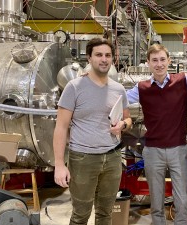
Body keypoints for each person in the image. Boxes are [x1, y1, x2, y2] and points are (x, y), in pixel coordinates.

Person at [126, 44, 187, 225]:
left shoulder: (183, 81)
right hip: (152, 151)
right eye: (154, 60)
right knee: (156, 200)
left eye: (162, 59)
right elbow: (118, 98)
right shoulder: (142, 88)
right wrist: (95, 80)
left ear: (169, 61)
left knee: (182, 199)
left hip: (178, 149)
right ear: (148, 63)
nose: (159, 64)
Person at [53, 37, 132, 225]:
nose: (103, 59)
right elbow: (61, 127)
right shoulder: (74, 87)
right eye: (98, 55)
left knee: (105, 214)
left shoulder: (118, 89)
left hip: (112, 157)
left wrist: (123, 125)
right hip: (83, 159)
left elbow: (127, 119)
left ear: (112, 59)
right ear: (89, 58)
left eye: (107, 55)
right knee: (81, 215)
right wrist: (59, 164)